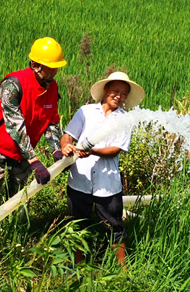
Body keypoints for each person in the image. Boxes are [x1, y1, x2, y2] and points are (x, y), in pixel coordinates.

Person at [0, 37, 67, 219]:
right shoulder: (13, 85)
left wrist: (56, 151)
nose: (55, 71)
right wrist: (34, 160)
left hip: (23, 154)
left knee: (21, 204)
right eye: (51, 67)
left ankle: (17, 238)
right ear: (36, 65)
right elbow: (15, 125)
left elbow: (52, 121)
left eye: (57, 67)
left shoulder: (52, 88)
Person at [60, 71, 145, 266]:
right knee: (77, 225)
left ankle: (122, 270)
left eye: (124, 94)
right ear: (106, 90)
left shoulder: (124, 120)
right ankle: (76, 266)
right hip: (80, 180)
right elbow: (68, 135)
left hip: (107, 184)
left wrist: (93, 151)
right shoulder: (85, 112)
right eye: (116, 90)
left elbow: (115, 150)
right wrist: (66, 145)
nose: (119, 96)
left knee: (115, 225)